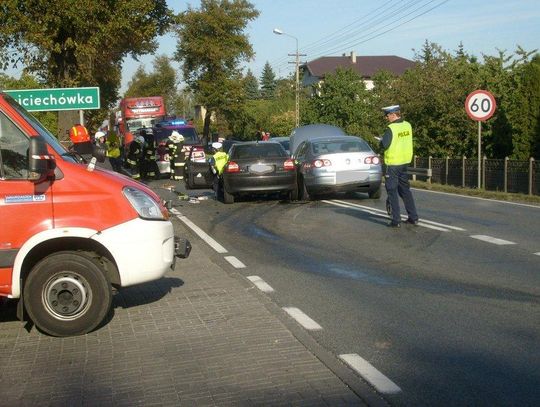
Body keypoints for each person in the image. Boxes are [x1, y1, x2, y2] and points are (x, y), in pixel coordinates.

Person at [379, 104, 419, 228]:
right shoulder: (408, 125)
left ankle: (396, 220)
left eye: (387, 115)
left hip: (393, 164)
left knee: (392, 191)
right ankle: (413, 217)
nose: (386, 118)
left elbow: (384, 145)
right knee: (405, 190)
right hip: (404, 162)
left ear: (393, 115)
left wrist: (380, 142)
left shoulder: (391, 129)